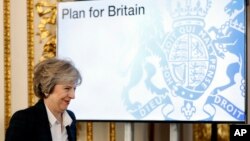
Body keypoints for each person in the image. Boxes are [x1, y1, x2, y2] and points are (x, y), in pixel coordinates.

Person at [5, 58, 82, 141]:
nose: (73, 95)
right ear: (46, 89)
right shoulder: (24, 119)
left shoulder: (70, 117)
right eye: (67, 88)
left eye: (74, 89)